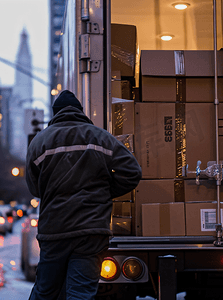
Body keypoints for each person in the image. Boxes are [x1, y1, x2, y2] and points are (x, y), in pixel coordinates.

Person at [26, 90, 142, 300]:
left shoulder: (39, 142)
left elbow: (34, 188)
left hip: (55, 231)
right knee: (81, 294)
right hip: (91, 231)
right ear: (80, 112)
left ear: (55, 114)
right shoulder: (101, 138)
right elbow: (132, 172)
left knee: (45, 292)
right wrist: (104, 192)